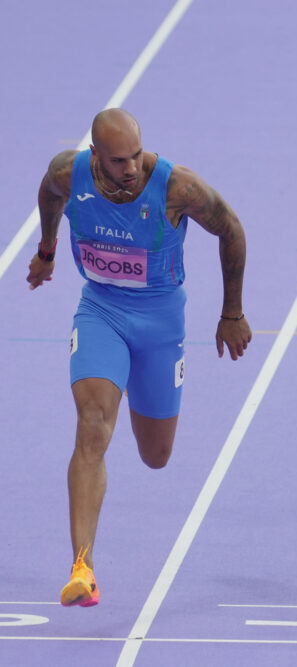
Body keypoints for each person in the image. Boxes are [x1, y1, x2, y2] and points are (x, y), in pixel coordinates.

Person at [27, 108, 252, 606]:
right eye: (118, 161)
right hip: (101, 311)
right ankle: (82, 567)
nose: (130, 168)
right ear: (95, 157)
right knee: (91, 427)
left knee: (156, 456)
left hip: (160, 323)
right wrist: (47, 252)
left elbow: (231, 228)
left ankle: (129, 378)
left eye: (135, 156)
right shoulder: (69, 172)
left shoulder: (178, 188)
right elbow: (49, 192)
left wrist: (231, 313)